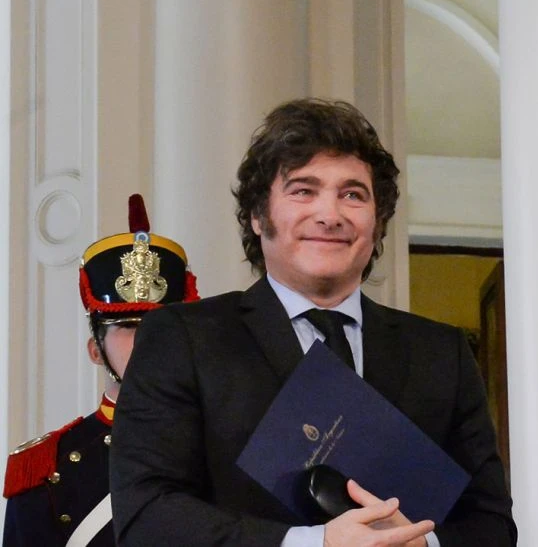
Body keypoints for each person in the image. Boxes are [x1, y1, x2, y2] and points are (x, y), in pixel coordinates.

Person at [109, 98, 517, 547]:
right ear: (258, 215)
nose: (330, 215)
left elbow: (492, 524)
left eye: (352, 195)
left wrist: (420, 545)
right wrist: (313, 543)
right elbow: (147, 515)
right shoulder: (184, 338)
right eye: (303, 191)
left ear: (378, 222)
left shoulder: (441, 353)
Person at [2, 195, 199, 546]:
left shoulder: (223, 445)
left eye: (162, 326)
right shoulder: (45, 468)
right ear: (96, 350)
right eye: (128, 326)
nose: (147, 339)